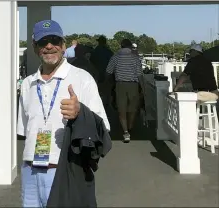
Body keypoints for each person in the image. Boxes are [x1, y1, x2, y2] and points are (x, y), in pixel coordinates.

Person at [17, 20, 110, 207]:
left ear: (64, 45)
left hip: (66, 169)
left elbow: (103, 127)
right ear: (35, 47)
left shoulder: (82, 78)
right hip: (30, 170)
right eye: (43, 42)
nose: (49, 46)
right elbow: (27, 129)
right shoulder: (28, 84)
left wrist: (80, 112)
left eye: (54, 40)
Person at [106, 39, 143, 143]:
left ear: (121, 46)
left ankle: (126, 132)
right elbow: (140, 75)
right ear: (130, 46)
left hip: (120, 85)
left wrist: (107, 84)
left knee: (121, 109)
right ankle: (130, 126)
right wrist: (143, 89)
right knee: (133, 108)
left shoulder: (115, 57)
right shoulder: (135, 58)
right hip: (133, 85)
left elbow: (108, 72)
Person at [90, 36, 114, 109]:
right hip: (107, 75)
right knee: (107, 92)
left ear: (99, 42)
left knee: (98, 92)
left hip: (96, 75)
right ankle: (108, 107)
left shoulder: (94, 51)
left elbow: (91, 62)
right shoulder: (109, 52)